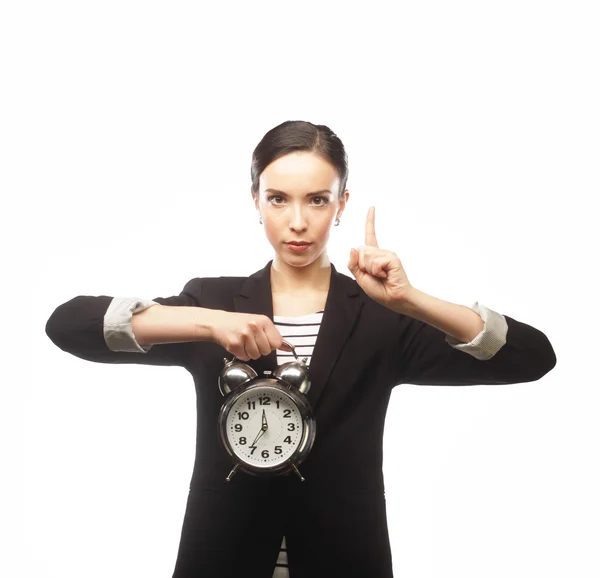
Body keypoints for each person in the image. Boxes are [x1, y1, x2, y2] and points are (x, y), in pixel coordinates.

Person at [45, 120, 557, 578]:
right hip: (223, 554)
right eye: (277, 199)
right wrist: (208, 322)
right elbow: (67, 324)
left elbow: (533, 358)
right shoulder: (213, 303)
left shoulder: (381, 318)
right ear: (255, 201)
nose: (297, 222)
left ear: (341, 205)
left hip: (343, 555)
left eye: (317, 199)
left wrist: (411, 300)